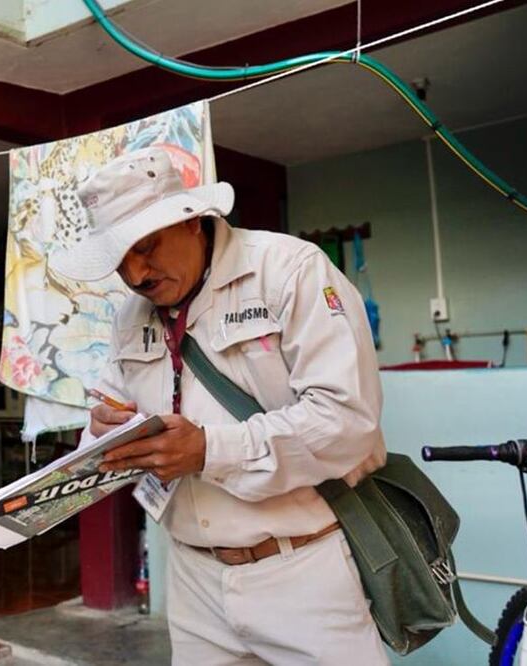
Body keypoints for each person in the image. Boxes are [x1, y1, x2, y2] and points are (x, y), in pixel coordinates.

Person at [50, 147, 388, 665]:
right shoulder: (130, 317)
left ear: (192, 221)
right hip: (192, 579)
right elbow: (109, 409)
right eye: (120, 259)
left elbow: (347, 421)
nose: (137, 273)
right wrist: (101, 431)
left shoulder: (289, 271)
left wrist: (209, 450)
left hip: (302, 571)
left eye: (146, 245)